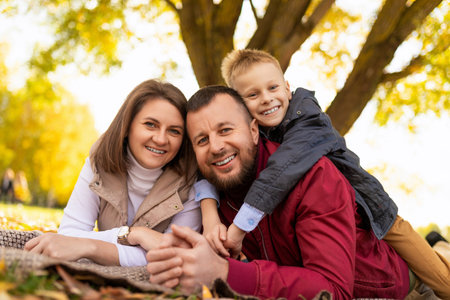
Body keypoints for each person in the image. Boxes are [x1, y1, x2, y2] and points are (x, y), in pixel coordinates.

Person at [195, 49, 450, 297]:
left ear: (287, 87)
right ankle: (438, 246)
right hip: (349, 227)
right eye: (253, 94)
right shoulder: (252, 137)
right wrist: (209, 213)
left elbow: (280, 171)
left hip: (374, 209)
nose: (266, 98)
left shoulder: (307, 120)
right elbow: (201, 168)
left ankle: (439, 250)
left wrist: (239, 228)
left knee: (441, 280)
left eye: (272, 88)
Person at [146, 86, 413, 299]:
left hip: (379, 288)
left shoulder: (314, 176)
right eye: (202, 140)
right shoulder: (216, 195)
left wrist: (225, 271)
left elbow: (333, 291)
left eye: (225, 130)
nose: (215, 146)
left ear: (253, 130)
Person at [24, 79, 201, 266]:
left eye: (174, 131)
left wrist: (90, 247)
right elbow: (68, 236)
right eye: (150, 124)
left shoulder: (191, 183)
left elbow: (176, 258)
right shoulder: (99, 163)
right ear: (127, 126)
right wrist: (133, 235)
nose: (160, 139)